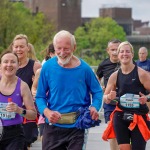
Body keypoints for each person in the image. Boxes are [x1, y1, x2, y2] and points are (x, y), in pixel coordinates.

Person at [35, 30, 103, 150]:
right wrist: (46, 112)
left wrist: (94, 107)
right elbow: (40, 96)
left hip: (77, 126)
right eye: (58, 48)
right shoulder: (47, 67)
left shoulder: (85, 69)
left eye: (66, 48)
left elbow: (97, 91)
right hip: (53, 126)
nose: (62, 53)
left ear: (74, 47)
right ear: (54, 48)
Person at [102, 41, 150, 150]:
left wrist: (146, 98)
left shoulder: (141, 74)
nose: (125, 54)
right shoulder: (114, 76)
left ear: (132, 55)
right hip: (120, 116)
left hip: (138, 116)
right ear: (118, 55)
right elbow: (105, 98)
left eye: (127, 51)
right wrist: (109, 97)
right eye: (122, 52)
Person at [0, 51, 37, 150]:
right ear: (0, 65)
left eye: (13, 62)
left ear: (18, 65)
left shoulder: (23, 86)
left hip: (14, 135)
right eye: (5, 62)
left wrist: (19, 110)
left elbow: (33, 114)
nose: (9, 65)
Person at [11, 34, 41, 149]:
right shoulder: (7, 65)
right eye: (16, 46)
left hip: (27, 112)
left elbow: (42, 88)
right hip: (9, 111)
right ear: (13, 47)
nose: (19, 49)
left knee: (25, 142)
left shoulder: (35, 66)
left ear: (27, 48)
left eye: (22, 46)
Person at [96, 39, 121, 150]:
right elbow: (97, 79)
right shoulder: (103, 64)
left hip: (125, 102)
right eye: (112, 49)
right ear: (108, 51)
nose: (115, 52)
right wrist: (101, 88)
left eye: (117, 49)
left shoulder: (128, 62)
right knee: (112, 128)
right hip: (109, 102)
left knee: (123, 130)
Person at [32, 43, 56, 141]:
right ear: (51, 54)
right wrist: (35, 93)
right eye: (57, 52)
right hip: (45, 112)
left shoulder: (70, 70)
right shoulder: (41, 71)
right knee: (45, 142)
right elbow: (33, 88)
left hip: (63, 114)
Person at [136, 47, 150, 113]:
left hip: (147, 88)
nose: (141, 55)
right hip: (138, 88)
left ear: (146, 54)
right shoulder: (135, 63)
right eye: (140, 53)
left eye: (143, 53)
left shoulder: (149, 63)